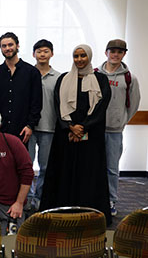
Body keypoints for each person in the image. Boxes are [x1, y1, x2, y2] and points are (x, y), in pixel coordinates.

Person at [40, 44, 112, 225]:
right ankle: (63, 209)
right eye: (76, 56)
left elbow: (101, 108)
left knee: (88, 172)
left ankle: (89, 211)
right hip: (66, 135)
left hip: (91, 136)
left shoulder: (100, 80)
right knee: (64, 170)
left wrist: (84, 127)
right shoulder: (64, 79)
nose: (79, 59)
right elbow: (58, 104)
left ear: (89, 57)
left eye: (83, 56)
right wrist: (70, 127)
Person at [96, 39, 140, 216]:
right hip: (95, 129)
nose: (115, 54)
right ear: (106, 52)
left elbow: (134, 104)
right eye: (112, 51)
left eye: (119, 52)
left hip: (114, 131)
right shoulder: (96, 74)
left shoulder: (129, 78)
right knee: (93, 166)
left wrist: (122, 121)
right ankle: (95, 198)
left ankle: (111, 200)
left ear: (124, 54)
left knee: (112, 168)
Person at [0, 32, 42, 144]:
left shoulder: (32, 72)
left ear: (17, 46)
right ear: (0, 48)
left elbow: (36, 102)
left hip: (23, 130)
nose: (7, 48)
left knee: (22, 161)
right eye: (4, 46)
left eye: (10, 45)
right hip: (0, 129)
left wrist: (30, 125)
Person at [27, 39, 60, 211]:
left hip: (49, 127)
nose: (42, 54)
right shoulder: (27, 74)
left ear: (52, 54)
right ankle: (28, 197)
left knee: (45, 167)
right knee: (27, 166)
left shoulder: (59, 77)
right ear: (33, 54)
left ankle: (40, 197)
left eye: (46, 51)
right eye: (39, 51)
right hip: (29, 129)